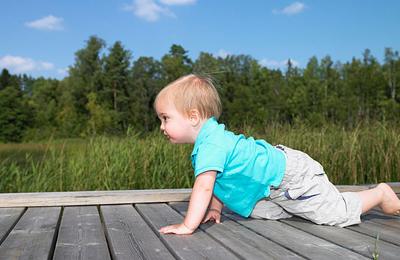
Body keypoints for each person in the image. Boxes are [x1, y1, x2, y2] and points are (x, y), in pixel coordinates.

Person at [154, 74, 400, 235]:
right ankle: (318, 201)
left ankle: (380, 193)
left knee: (333, 215)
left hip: (289, 177)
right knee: (261, 212)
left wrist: (188, 225)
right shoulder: (210, 142)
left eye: (165, 118)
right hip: (271, 184)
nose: (162, 127)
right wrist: (216, 210)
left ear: (193, 116)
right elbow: (217, 182)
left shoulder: (211, 145)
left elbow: (204, 187)